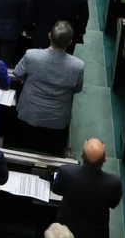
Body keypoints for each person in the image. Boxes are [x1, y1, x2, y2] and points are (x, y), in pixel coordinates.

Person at [13, 20, 84, 154]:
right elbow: (77, 89)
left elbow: (17, 74)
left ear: (49, 35)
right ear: (70, 42)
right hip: (57, 120)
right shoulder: (77, 66)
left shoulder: (31, 55)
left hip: (29, 113)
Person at [51, 138, 124, 238]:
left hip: (67, 227)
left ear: (81, 155)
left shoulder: (66, 171)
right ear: (105, 159)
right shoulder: (114, 182)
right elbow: (113, 204)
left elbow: (56, 190)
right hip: (95, 232)